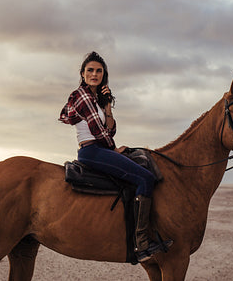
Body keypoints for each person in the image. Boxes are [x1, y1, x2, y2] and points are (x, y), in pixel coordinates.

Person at [59, 51, 172, 262]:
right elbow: (99, 132)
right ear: (82, 74)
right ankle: (141, 242)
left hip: (100, 148)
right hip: (92, 151)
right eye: (90, 70)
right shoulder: (81, 95)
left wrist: (108, 106)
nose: (94, 74)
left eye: (99, 71)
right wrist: (113, 149)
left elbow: (110, 129)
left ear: (104, 74)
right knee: (145, 178)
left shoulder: (97, 99)